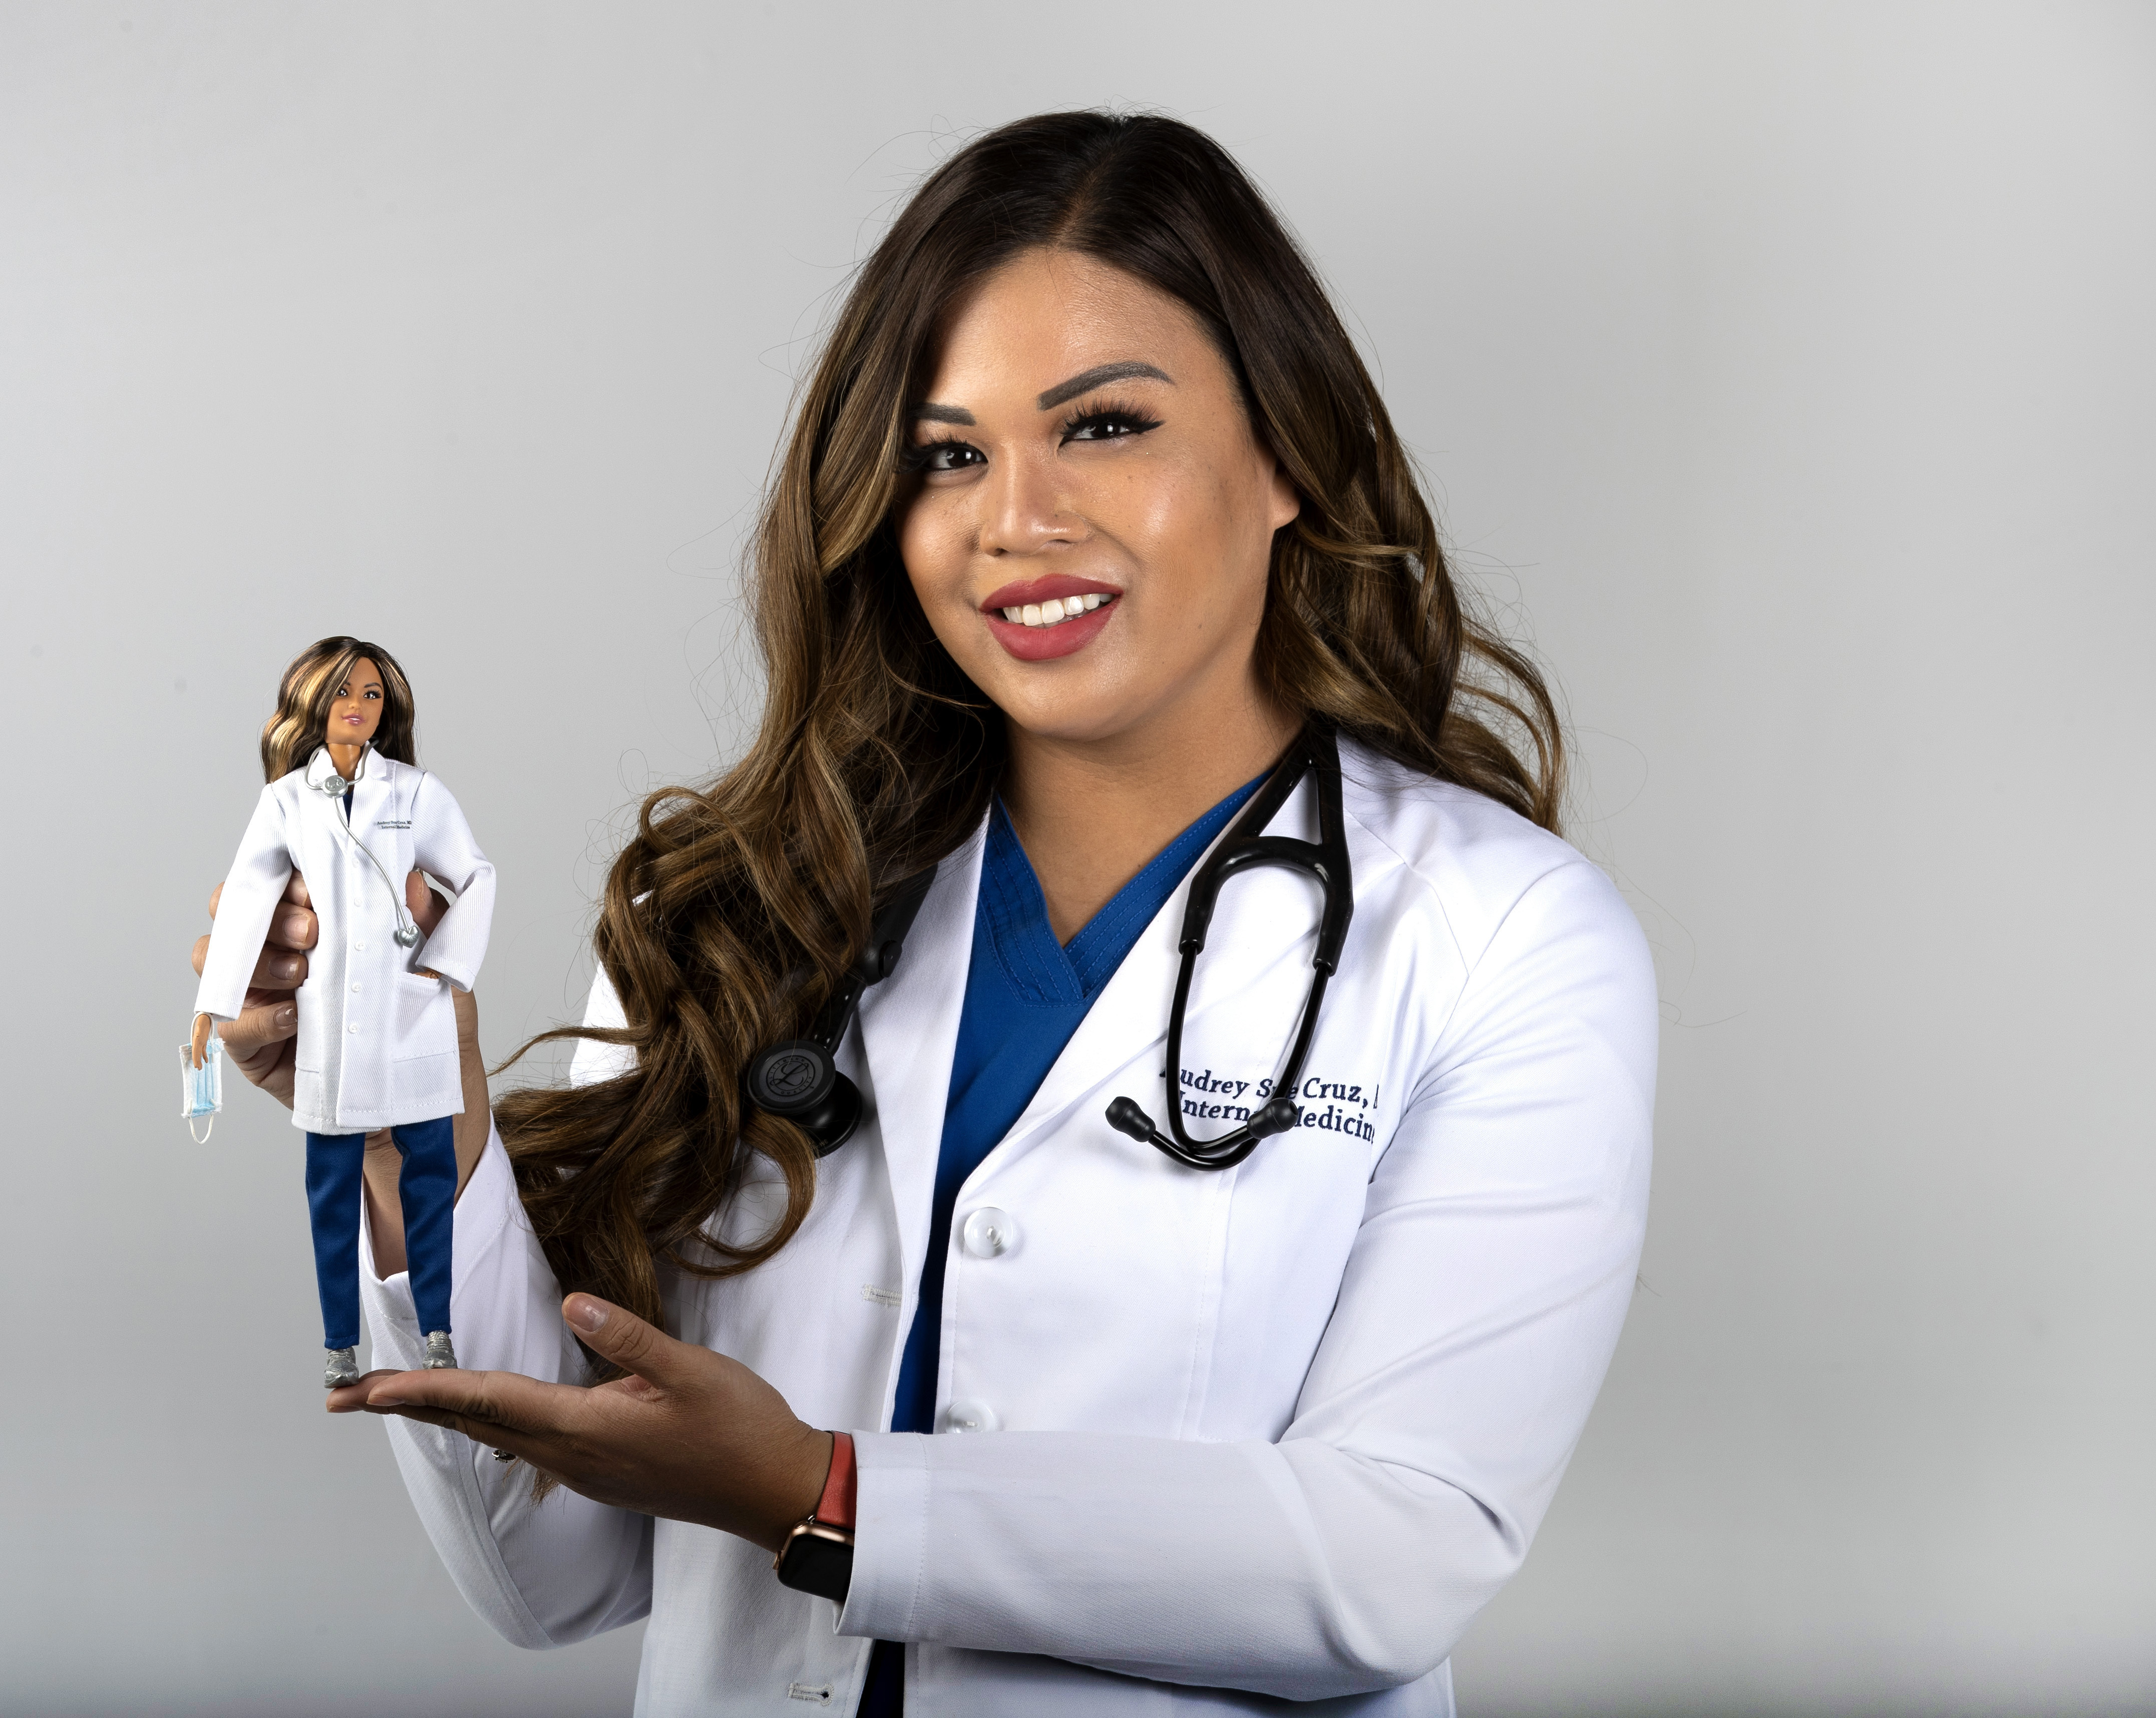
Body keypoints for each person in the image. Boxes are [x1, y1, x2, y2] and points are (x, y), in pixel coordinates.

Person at [198, 112, 1654, 1715]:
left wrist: (827, 1496)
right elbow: (555, 1576)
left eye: (1101, 427)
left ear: (1290, 454)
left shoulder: (1506, 938)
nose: (1012, 521)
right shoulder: (747, 908)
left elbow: (1392, 1555)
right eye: (949, 455)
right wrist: (412, 1107)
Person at [190, 636, 494, 1386]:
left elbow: (478, 875)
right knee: (329, 1199)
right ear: (309, 706)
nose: (357, 709)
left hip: (413, 1019)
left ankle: (437, 1332)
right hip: (326, 1029)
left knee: (428, 1188)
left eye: (372, 696)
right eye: (342, 693)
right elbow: (249, 900)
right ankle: (338, 1347)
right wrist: (212, 1006)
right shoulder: (286, 801)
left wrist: (444, 967)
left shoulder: (415, 793)